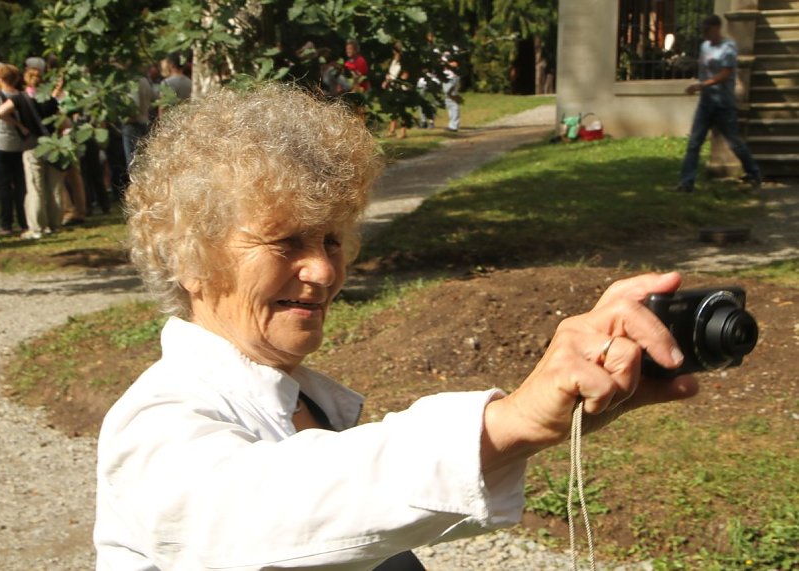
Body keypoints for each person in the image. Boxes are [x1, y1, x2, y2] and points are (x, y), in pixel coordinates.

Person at [94, 84, 698, 570]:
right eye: (285, 241)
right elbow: (277, 507)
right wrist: (511, 421)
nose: (324, 268)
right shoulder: (157, 422)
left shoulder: (301, 399)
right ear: (190, 261)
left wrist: (558, 416)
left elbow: (377, 514)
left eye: (332, 238)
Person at [676, 14, 762, 193]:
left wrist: (702, 85)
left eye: (707, 30)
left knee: (734, 142)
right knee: (694, 142)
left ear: (717, 28)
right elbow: (703, 69)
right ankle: (686, 183)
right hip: (706, 103)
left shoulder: (728, 47)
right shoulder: (704, 46)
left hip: (723, 104)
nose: (704, 34)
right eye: (702, 31)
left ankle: (753, 172)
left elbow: (725, 74)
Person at [0, 67, 64, 239]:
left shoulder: (20, 98)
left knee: (35, 188)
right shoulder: (50, 99)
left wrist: (20, 126)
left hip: (32, 145)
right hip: (53, 145)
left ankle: (37, 227)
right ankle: (54, 224)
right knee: (54, 188)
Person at [0, 63, 29, 235]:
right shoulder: (22, 96)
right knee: (20, 185)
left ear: (0, 78)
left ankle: (6, 224)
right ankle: (24, 221)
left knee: (3, 185)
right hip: (19, 143)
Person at [441, 55, 461, 133]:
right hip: (446, 79)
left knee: (453, 101)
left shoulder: (451, 53)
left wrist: (447, 64)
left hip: (452, 78)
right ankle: (452, 124)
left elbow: (455, 64)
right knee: (448, 101)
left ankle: (454, 125)